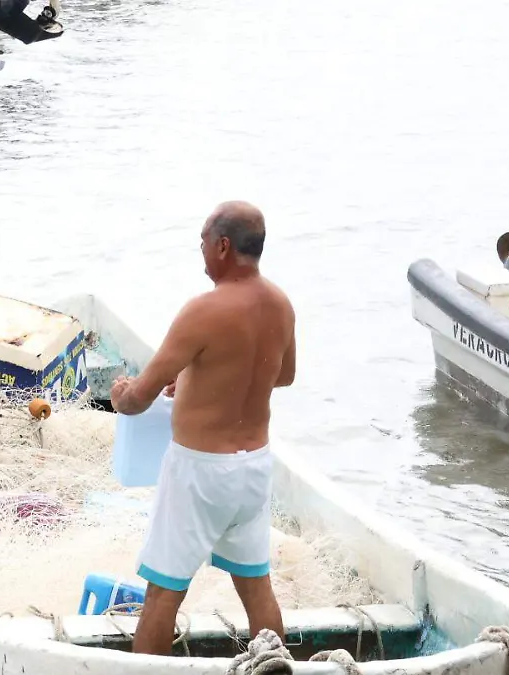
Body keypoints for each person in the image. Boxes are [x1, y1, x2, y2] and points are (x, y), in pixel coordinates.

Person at [109, 200, 296, 656]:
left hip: (199, 473)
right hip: (253, 468)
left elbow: (137, 400)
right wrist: (200, 377)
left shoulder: (203, 311)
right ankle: (273, 666)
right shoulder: (280, 304)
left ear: (223, 246)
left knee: (162, 596)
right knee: (256, 591)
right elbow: (283, 375)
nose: (202, 254)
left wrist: (119, 394)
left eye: (204, 244)